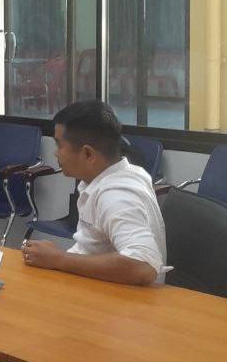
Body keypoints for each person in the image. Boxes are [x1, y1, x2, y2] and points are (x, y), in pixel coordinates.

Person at [22, 100, 167, 286]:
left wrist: (59, 259)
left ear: (88, 154)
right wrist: (57, 258)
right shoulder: (110, 176)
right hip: (94, 284)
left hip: (119, 298)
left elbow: (144, 267)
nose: (56, 154)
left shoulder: (116, 195)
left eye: (59, 145)